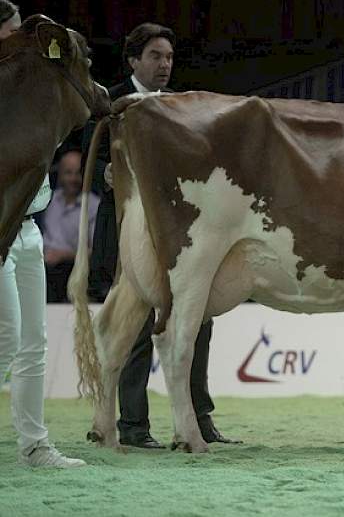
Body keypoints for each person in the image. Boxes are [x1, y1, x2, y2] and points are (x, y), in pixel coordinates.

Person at [86, 22, 236, 448]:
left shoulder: (180, 105)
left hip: (179, 234)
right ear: (133, 59)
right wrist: (108, 175)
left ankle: (200, 418)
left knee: (198, 321)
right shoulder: (110, 102)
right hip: (126, 231)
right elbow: (89, 159)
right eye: (155, 56)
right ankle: (134, 425)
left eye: (169, 57)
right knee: (134, 326)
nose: (164, 64)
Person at [0, 0, 86, 468]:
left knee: (34, 341)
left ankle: (34, 445)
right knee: (8, 337)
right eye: (13, 31)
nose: (23, 41)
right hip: (0, 228)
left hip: (29, 226)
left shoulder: (31, 86)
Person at [40, 150, 99, 303]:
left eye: (77, 173)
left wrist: (63, 255)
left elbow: (97, 252)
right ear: (59, 174)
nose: (73, 178)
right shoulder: (48, 201)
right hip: (43, 268)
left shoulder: (94, 205)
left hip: (73, 271)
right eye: (68, 172)